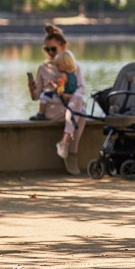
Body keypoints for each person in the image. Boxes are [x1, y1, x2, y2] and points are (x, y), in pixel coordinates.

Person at [27, 24, 86, 175]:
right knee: (81, 113)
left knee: (79, 102)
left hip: (70, 106)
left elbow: (81, 88)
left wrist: (69, 96)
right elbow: (36, 97)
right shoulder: (43, 68)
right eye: (47, 50)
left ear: (63, 47)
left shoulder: (74, 67)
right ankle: (71, 152)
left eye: (53, 49)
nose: (50, 53)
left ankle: (67, 146)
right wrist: (31, 88)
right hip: (53, 109)